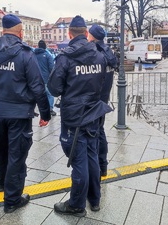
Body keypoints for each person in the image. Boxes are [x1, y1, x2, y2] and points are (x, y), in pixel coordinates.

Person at [0, 14, 51, 213]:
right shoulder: (26, 54)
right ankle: (12, 200)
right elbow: (37, 86)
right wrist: (45, 113)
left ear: (2, 32)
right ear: (21, 32)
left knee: (0, 152)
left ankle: (2, 186)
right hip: (20, 114)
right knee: (17, 156)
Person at [48, 16, 112, 217]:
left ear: (69, 34)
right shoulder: (100, 55)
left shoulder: (65, 57)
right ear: (86, 33)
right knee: (92, 156)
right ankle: (94, 199)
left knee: (78, 159)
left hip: (73, 117)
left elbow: (55, 88)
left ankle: (76, 205)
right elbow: (102, 84)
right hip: (93, 114)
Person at [88, 24, 118, 177]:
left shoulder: (95, 52)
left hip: (94, 99)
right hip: (103, 98)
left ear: (92, 36)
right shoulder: (109, 52)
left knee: (96, 132)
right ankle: (103, 166)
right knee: (100, 130)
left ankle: (97, 168)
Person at [34, 40, 56, 116]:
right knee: (49, 94)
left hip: (35, 79)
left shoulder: (33, 54)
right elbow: (52, 68)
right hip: (46, 79)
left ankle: (35, 109)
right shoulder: (47, 55)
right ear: (45, 46)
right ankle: (50, 109)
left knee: (37, 94)